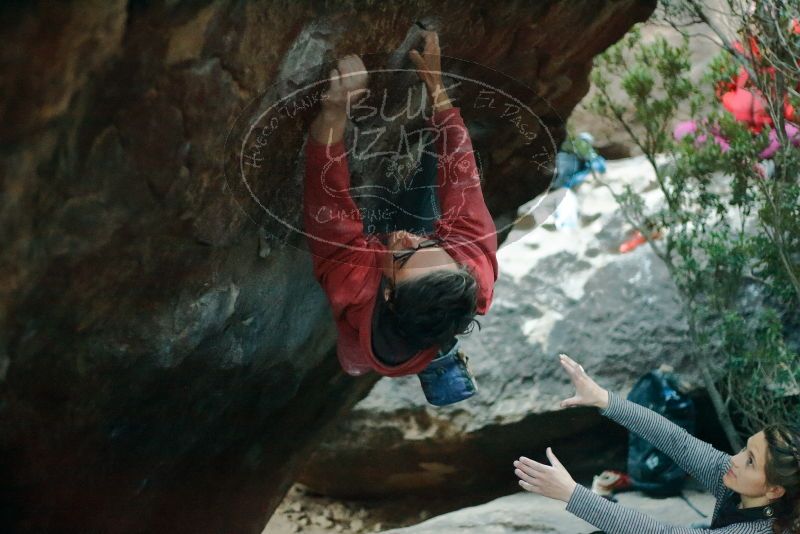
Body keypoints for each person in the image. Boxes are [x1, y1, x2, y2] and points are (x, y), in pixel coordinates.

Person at [303, 31, 498, 404]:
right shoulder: (472, 265)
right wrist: (436, 88)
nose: (411, 238)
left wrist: (333, 111)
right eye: (429, 245)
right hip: (416, 305)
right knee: (429, 173)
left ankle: (393, 360)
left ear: (388, 292)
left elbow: (326, 201)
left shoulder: (355, 286)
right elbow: (462, 178)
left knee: (355, 358)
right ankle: (436, 355)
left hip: (367, 341)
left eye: (406, 256)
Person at [513, 354, 800, 533]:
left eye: (750, 461)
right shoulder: (736, 481)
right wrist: (603, 398)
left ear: (774, 490)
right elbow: (676, 441)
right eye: (744, 449)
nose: (735, 460)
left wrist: (571, 493)